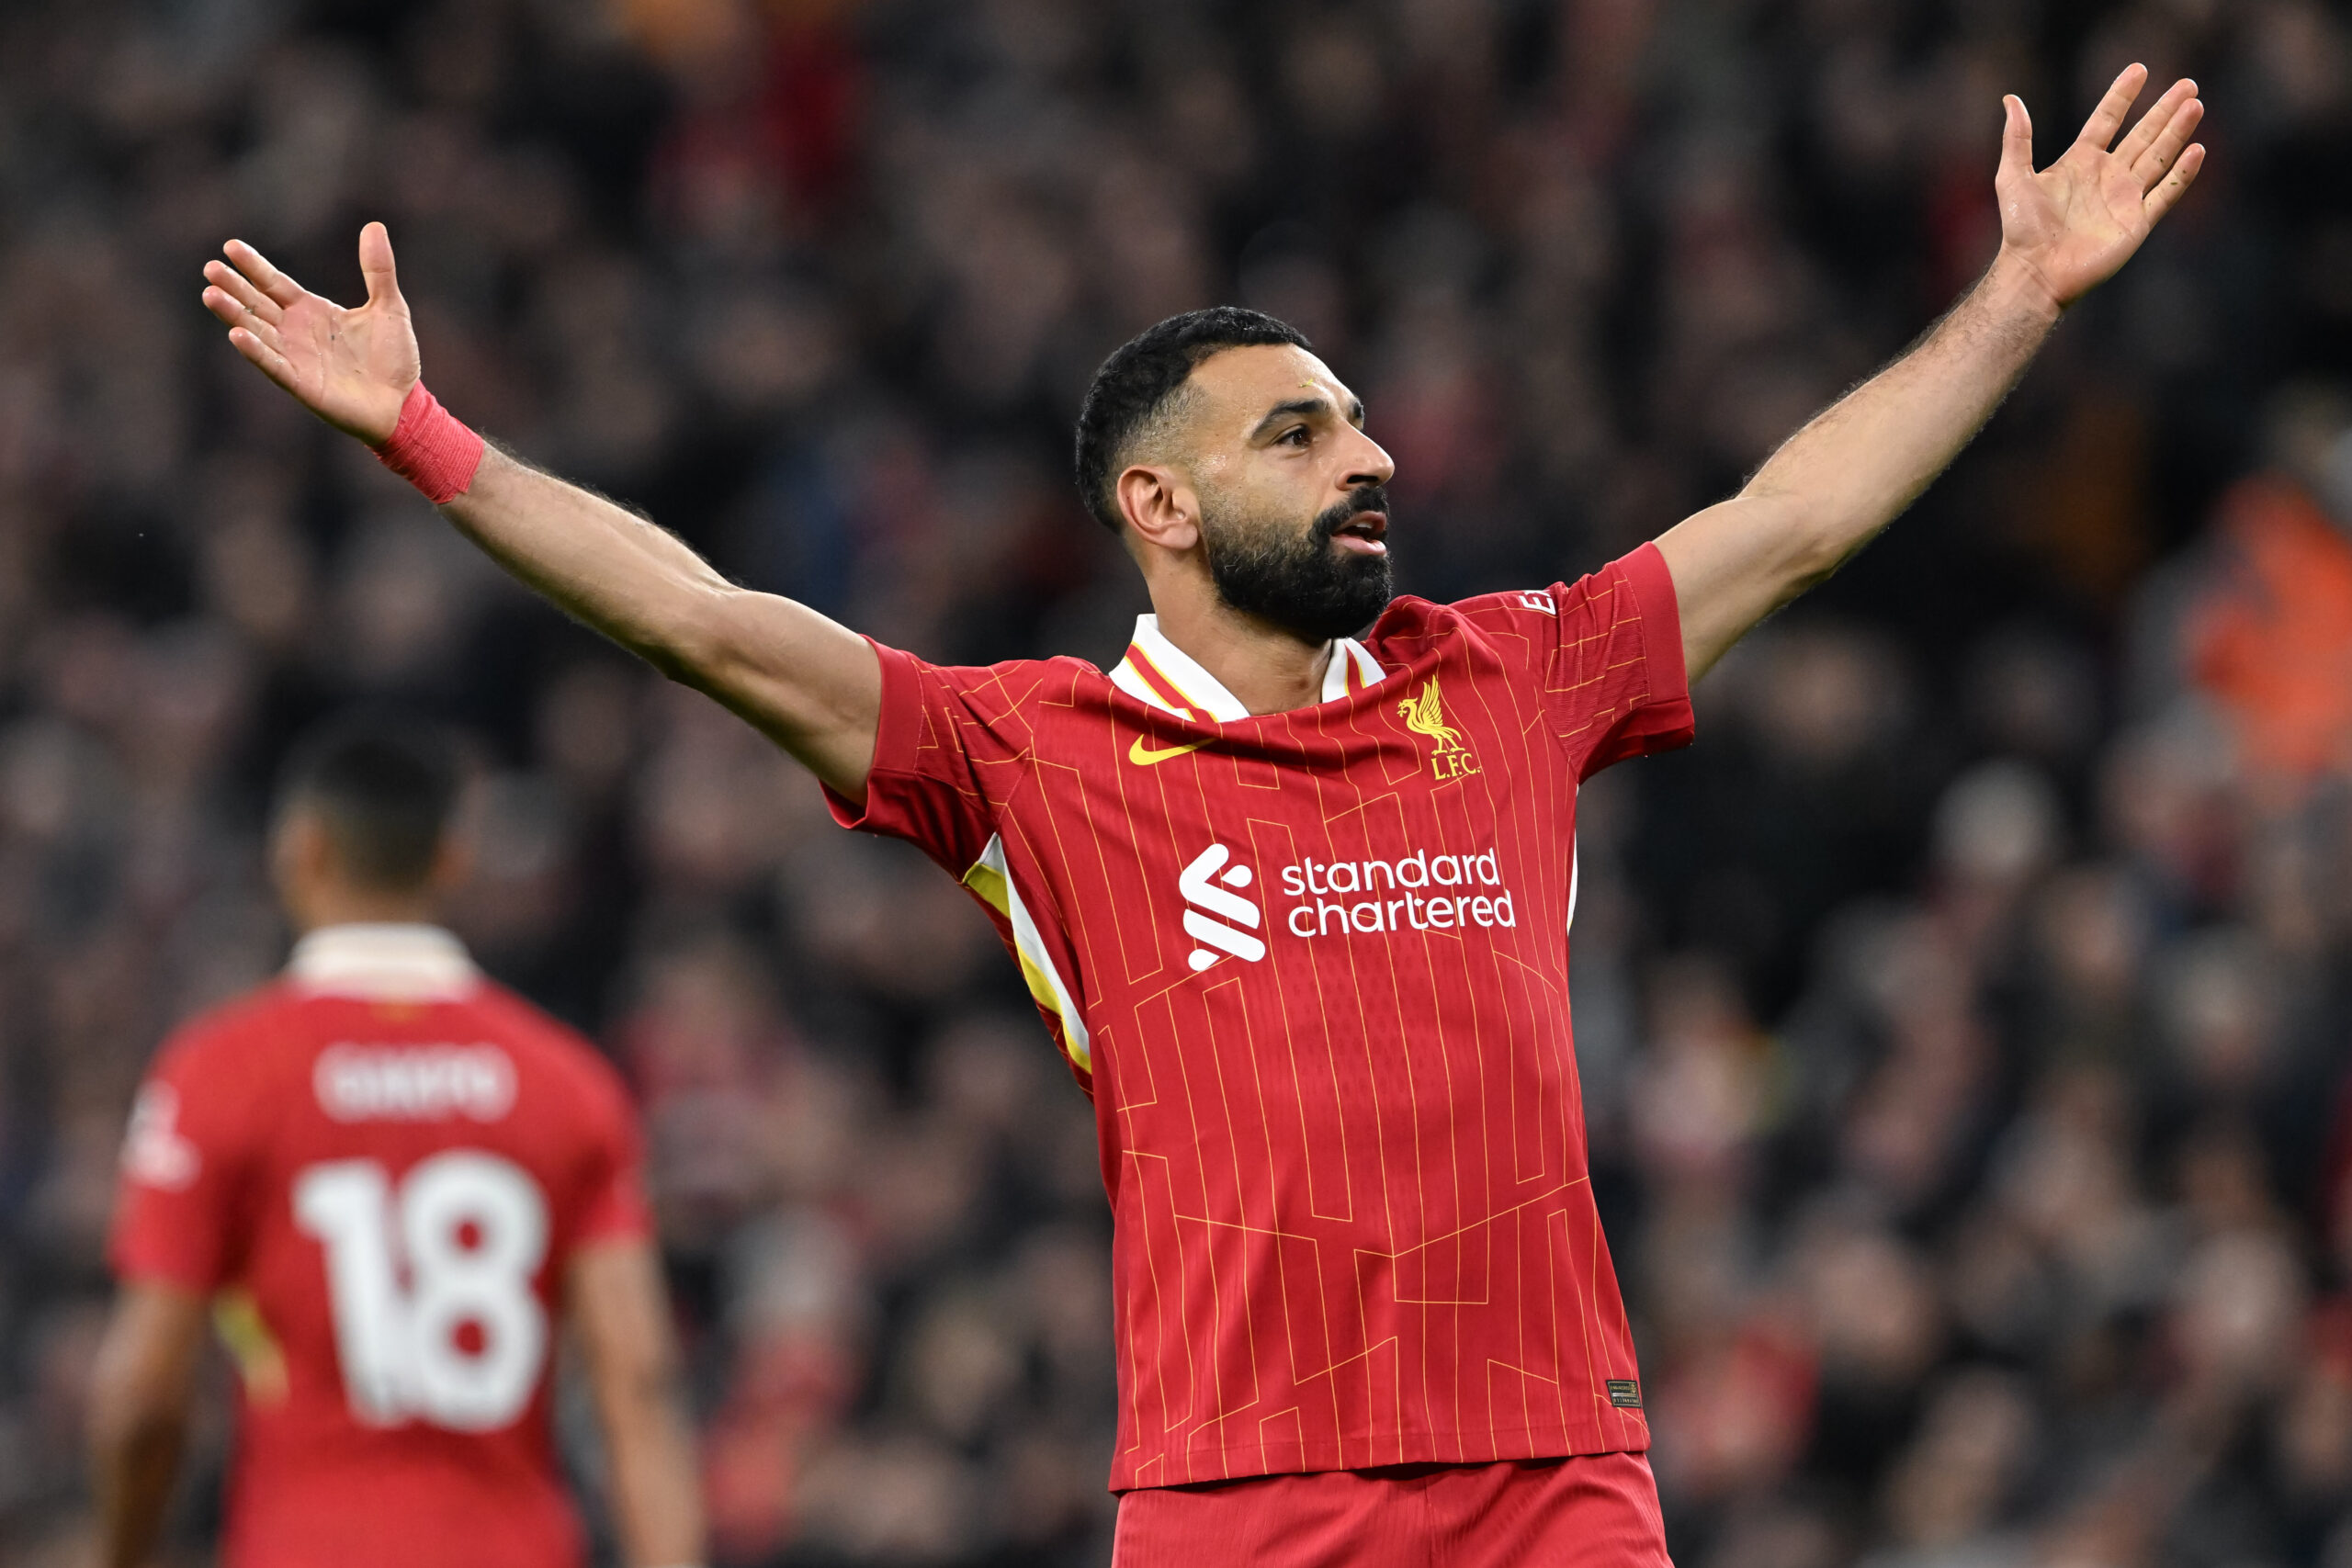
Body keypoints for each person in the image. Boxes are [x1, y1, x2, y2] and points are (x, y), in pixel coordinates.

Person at [194, 63, 2203, 1568]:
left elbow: (1797, 514)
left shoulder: (1502, 675)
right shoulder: (1032, 753)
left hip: (1555, 1478)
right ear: (1155, 508)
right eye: (1300, 430)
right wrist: (427, 436)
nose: (1374, 453)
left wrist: (2019, 294)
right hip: (1242, 1498)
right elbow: (713, 628)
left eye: (1359, 418)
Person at [89, 717, 705, 1568]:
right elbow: (638, 1383)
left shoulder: (219, 1072)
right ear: (452, 859)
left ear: (300, 851)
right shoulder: (567, 1081)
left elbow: (144, 1398)